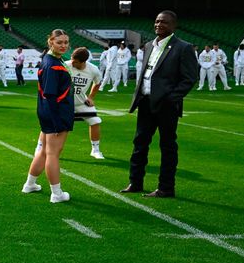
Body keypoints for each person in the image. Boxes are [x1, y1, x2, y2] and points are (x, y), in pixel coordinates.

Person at [120, 10, 197, 199]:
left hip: (166, 106)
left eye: (163, 22)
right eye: (156, 21)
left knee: (167, 146)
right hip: (145, 102)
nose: (158, 25)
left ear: (173, 25)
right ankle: (135, 182)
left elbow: (189, 78)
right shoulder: (148, 45)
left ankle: (166, 188)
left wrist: (172, 98)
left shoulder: (183, 47)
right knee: (139, 144)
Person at [22, 29, 73, 203]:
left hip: (48, 112)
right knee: (52, 153)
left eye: (66, 42)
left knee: (44, 151)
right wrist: (57, 121)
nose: (64, 45)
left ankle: (30, 184)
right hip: (55, 113)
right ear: (50, 42)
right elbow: (50, 94)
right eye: (59, 42)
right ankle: (57, 194)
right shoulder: (52, 64)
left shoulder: (52, 60)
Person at [68, 47, 104, 159]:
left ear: (83, 62)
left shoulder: (93, 69)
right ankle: (41, 147)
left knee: (95, 121)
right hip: (64, 104)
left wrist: (91, 97)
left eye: (75, 62)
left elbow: (97, 83)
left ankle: (95, 150)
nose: (72, 63)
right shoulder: (66, 65)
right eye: (72, 60)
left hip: (81, 103)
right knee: (52, 125)